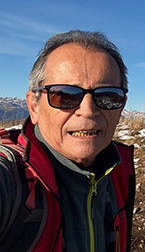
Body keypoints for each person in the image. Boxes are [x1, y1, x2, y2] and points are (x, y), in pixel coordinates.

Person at [0, 30, 135, 251]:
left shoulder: (117, 173)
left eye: (107, 96)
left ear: (121, 107)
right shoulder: (12, 179)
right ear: (34, 107)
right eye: (64, 95)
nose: (88, 110)